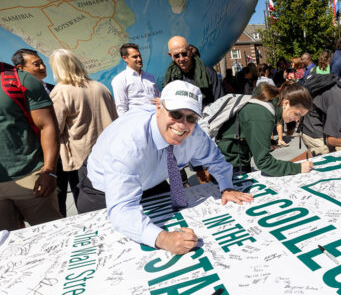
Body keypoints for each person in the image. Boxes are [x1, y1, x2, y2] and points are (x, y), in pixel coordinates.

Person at [77, 80, 253, 255]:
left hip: (151, 180)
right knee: (112, 248)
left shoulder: (195, 133)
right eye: (175, 114)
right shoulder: (128, 144)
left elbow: (215, 159)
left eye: (191, 117)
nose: (182, 125)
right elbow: (122, 210)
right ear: (159, 109)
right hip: (101, 189)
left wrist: (226, 186)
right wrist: (164, 239)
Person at [48, 49, 118, 216]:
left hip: (81, 160)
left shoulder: (60, 91)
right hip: (109, 155)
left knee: (87, 208)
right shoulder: (100, 87)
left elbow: (54, 129)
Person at [0, 60, 62, 229]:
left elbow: (48, 125)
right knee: (7, 250)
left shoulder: (21, 80)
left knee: (53, 238)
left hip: (30, 179)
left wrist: (49, 172)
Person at [217, 83, 314, 176]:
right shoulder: (262, 115)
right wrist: (298, 168)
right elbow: (264, 162)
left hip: (235, 160)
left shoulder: (268, 107)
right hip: (229, 166)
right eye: (297, 114)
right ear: (286, 103)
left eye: (300, 117)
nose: (297, 120)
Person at [163, 36, 225, 104]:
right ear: (170, 55)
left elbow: (220, 101)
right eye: (176, 55)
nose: (181, 59)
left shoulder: (208, 72)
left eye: (184, 54)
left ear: (190, 50)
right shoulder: (170, 76)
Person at [111, 43, 160, 116]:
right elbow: (121, 109)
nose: (139, 59)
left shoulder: (150, 77)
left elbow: (158, 97)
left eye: (139, 56)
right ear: (125, 58)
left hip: (156, 119)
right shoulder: (120, 80)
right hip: (137, 121)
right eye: (135, 57)